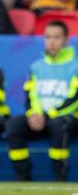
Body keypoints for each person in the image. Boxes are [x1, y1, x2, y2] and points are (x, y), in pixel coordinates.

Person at [6, 21, 78, 182]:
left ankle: (60, 174)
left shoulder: (75, 66)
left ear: (66, 40)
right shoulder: (36, 67)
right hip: (41, 118)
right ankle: (23, 175)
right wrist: (34, 114)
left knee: (59, 124)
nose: (51, 41)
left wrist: (48, 115)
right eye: (48, 37)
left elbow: (74, 99)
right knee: (13, 125)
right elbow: (31, 96)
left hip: (68, 119)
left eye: (57, 37)